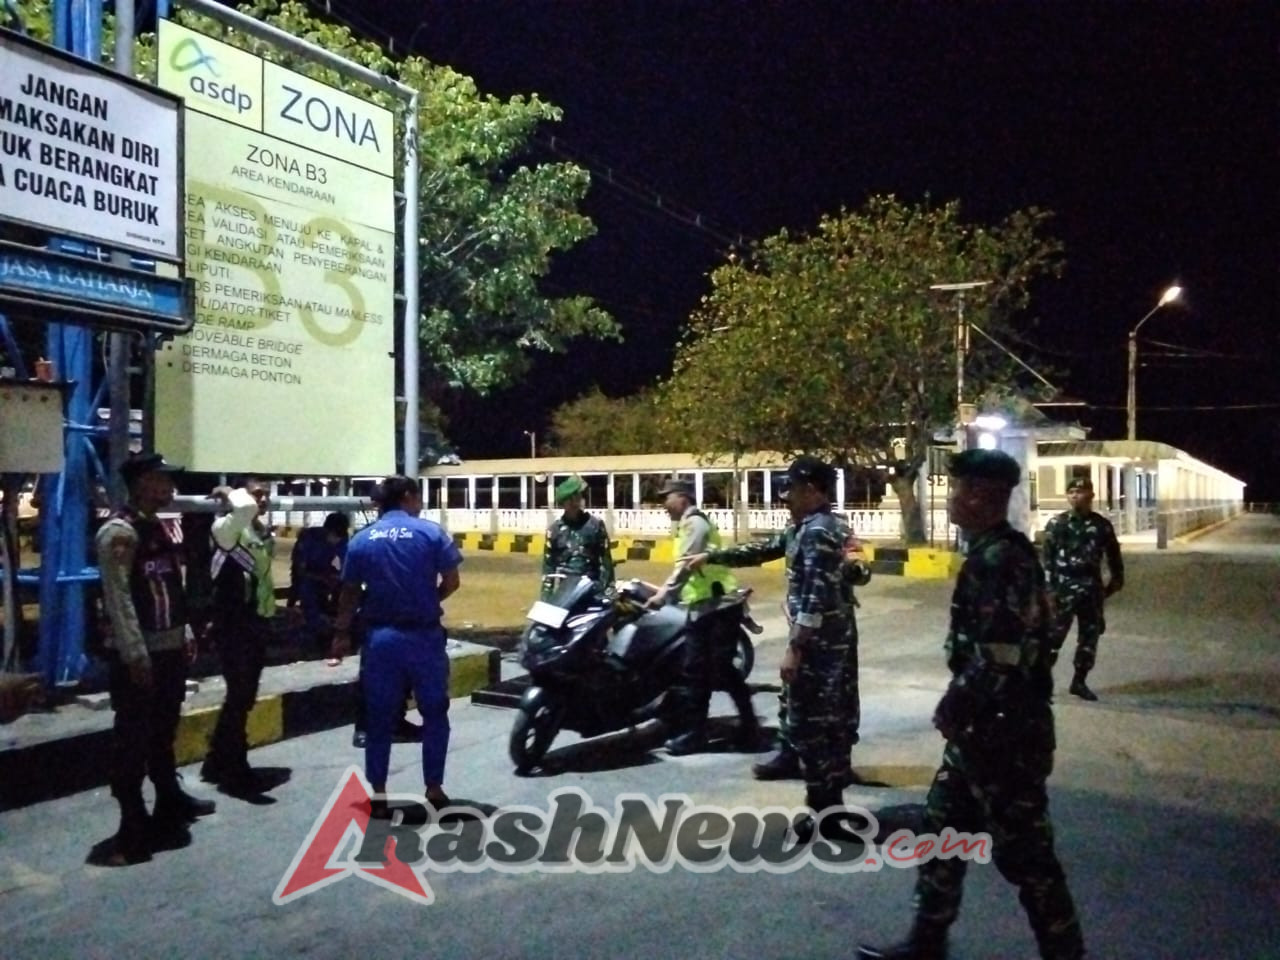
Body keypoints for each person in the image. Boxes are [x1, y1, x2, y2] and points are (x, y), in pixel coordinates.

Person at [857, 449, 1084, 960]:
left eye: (957, 488)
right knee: (942, 830)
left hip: (1005, 735)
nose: (951, 498)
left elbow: (1001, 652)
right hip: (980, 734)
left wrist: (956, 705)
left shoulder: (1000, 559)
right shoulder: (997, 552)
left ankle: (1066, 952)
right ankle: (927, 940)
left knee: (1028, 857)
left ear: (982, 496)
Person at [693, 473, 869, 784]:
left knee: (829, 700)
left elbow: (827, 589)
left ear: (812, 491)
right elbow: (763, 549)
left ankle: (834, 770)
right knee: (797, 695)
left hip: (826, 634)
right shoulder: (800, 529)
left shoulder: (824, 530)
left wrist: (796, 646)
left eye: (792, 494)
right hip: (815, 627)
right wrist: (713, 556)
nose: (786, 502)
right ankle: (793, 756)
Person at [95, 452, 216, 866]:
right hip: (141, 656)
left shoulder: (157, 527)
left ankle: (169, 800)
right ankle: (132, 828)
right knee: (132, 741)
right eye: (161, 480)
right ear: (141, 483)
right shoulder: (119, 532)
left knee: (163, 732)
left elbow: (169, 586)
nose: (169, 488)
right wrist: (135, 654)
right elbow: (119, 598)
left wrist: (182, 632)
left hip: (167, 651)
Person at [330, 475, 462, 813]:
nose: (420, 503)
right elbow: (452, 580)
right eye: (417, 496)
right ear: (407, 497)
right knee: (435, 712)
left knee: (379, 718)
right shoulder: (430, 532)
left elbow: (348, 593)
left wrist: (341, 634)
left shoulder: (362, 540)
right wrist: (428, 600)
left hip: (381, 639)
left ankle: (378, 794)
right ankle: (434, 790)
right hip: (423, 637)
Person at [643, 478, 759, 754]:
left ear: (682, 497)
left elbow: (684, 567)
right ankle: (699, 731)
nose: (663, 504)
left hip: (719, 606)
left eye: (666, 498)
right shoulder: (686, 525)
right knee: (698, 671)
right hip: (701, 607)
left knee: (717, 670)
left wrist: (663, 595)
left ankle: (743, 727)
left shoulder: (695, 524)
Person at [200, 477, 275, 796]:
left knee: (243, 696)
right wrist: (232, 493)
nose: (262, 499)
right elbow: (243, 508)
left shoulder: (260, 531)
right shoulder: (226, 527)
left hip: (255, 622)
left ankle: (216, 760)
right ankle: (234, 767)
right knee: (240, 695)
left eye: (266, 495)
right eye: (257, 493)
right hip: (233, 623)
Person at [1041, 476, 1124, 701]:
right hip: (1063, 591)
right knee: (1052, 641)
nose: (1075, 495)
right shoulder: (1057, 524)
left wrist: (1115, 582)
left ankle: (1079, 682)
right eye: (1071, 492)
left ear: (1091, 495)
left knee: (1089, 639)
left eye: (1081, 491)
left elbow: (1113, 556)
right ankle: (1042, 686)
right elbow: (1046, 560)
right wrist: (1048, 591)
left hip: (1091, 591)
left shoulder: (1101, 525)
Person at [541, 476, 614, 598]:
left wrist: (608, 590)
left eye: (577, 498)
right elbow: (549, 567)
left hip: (592, 589)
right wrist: (546, 598)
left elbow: (605, 561)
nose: (574, 503)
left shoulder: (595, 526)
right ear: (563, 503)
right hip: (565, 592)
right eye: (569, 500)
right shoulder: (554, 531)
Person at [288, 512, 350, 648]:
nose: (337, 538)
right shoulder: (309, 538)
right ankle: (313, 627)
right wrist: (321, 578)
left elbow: (346, 563)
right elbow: (300, 570)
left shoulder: (343, 539)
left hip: (326, 573)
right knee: (305, 590)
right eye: (335, 533)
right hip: (308, 576)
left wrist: (338, 578)